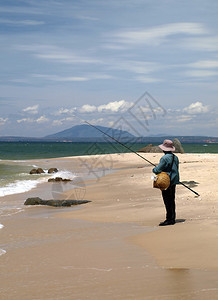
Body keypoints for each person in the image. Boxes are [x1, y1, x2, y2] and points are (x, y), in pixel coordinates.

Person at [152, 139, 180, 226]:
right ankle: (172, 218)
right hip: (174, 181)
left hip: (166, 182)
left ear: (164, 149)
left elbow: (158, 170)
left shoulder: (164, 158)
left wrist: (154, 169)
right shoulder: (175, 157)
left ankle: (169, 219)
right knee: (172, 200)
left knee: (167, 200)